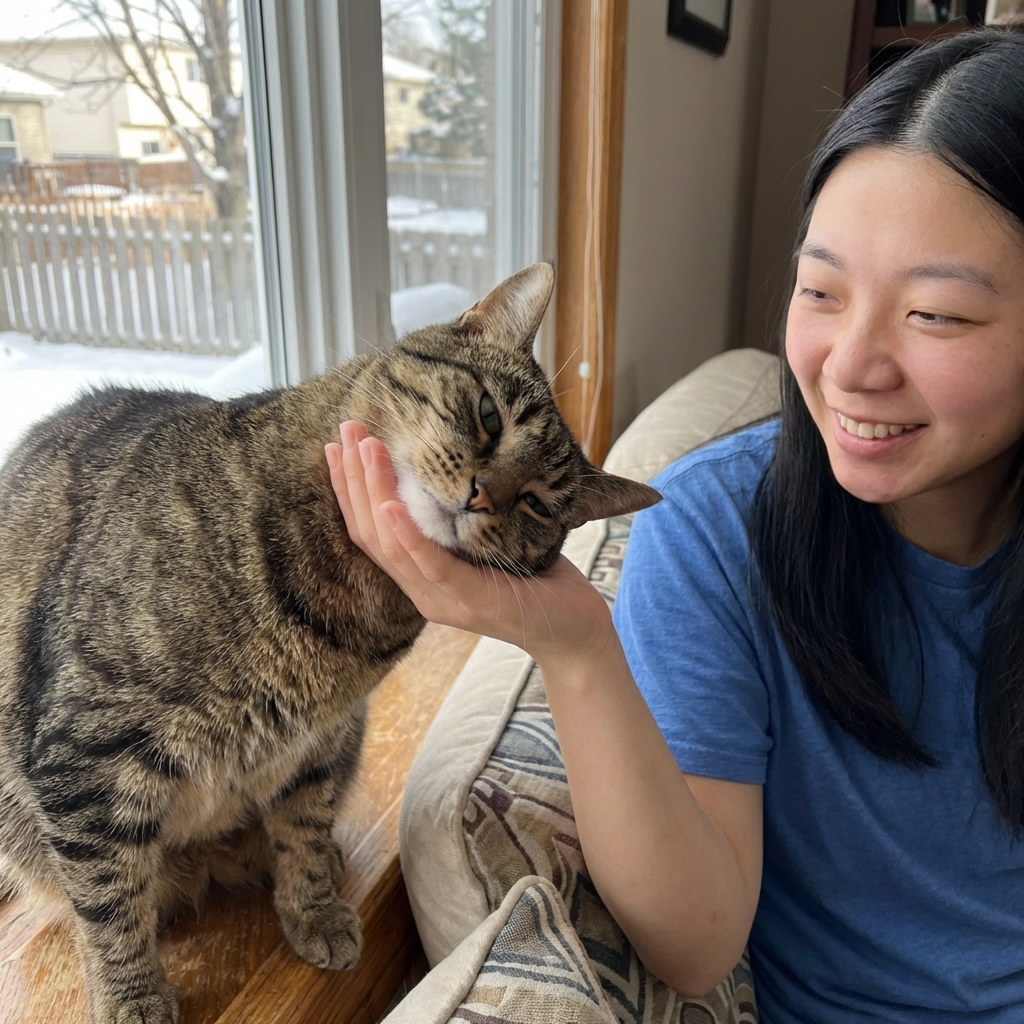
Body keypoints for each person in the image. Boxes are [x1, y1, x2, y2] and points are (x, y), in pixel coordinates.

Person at [325, 27, 1024, 1023]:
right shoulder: (716, 528)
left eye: (936, 315)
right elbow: (693, 946)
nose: (848, 365)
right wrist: (572, 644)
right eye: (819, 291)